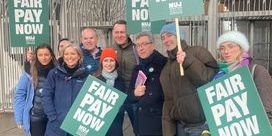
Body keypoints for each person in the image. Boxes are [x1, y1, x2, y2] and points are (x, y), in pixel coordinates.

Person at [159, 23, 218, 136]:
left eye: (169, 35)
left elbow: (206, 78)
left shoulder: (197, 52)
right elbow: (168, 102)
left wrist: (187, 61)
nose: (166, 40)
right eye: (163, 37)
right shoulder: (166, 68)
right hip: (180, 126)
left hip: (201, 126)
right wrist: (168, 132)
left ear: (179, 36)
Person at [214, 30, 272, 123]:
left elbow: (267, 109)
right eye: (222, 48)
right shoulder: (218, 74)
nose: (226, 51)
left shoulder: (257, 71)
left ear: (241, 48)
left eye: (231, 46)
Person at [42, 44, 88, 136]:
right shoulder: (54, 74)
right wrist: (53, 117)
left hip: (77, 125)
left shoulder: (86, 75)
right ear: (63, 57)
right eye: (66, 54)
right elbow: (46, 96)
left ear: (79, 56)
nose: (69, 57)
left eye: (73, 54)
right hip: (56, 124)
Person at [14, 45, 57, 136]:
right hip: (36, 117)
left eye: (46, 54)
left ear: (51, 55)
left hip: (53, 117)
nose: (44, 58)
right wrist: (19, 118)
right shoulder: (29, 72)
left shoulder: (58, 71)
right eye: (40, 55)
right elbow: (20, 94)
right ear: (36, 56)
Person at [128, 32, 166, 136]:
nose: (141, 48)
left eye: (144, 44)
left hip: (158, 125)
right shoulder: (137, 69)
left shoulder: (164, 64)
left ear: (153, 45)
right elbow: (129, 97)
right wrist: (135, 93)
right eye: (138, 45)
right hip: (140, 125)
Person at [112, 20, 139, 132]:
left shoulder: (136, 49)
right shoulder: (109, 50)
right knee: (115, 131)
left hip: (134, 97)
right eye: (117, 32)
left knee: (139, 130)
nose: (119, 35)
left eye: (122, 32)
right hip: (115, 97)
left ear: (128, 33)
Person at [96, 48, 126, 136]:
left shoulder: (120, 81)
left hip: (116, 125)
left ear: (115, 63)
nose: (108, 64)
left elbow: (123, 104)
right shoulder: (95, 80)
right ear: (102, 63)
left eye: (111, 60)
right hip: (98, 126)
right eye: (105, 60)